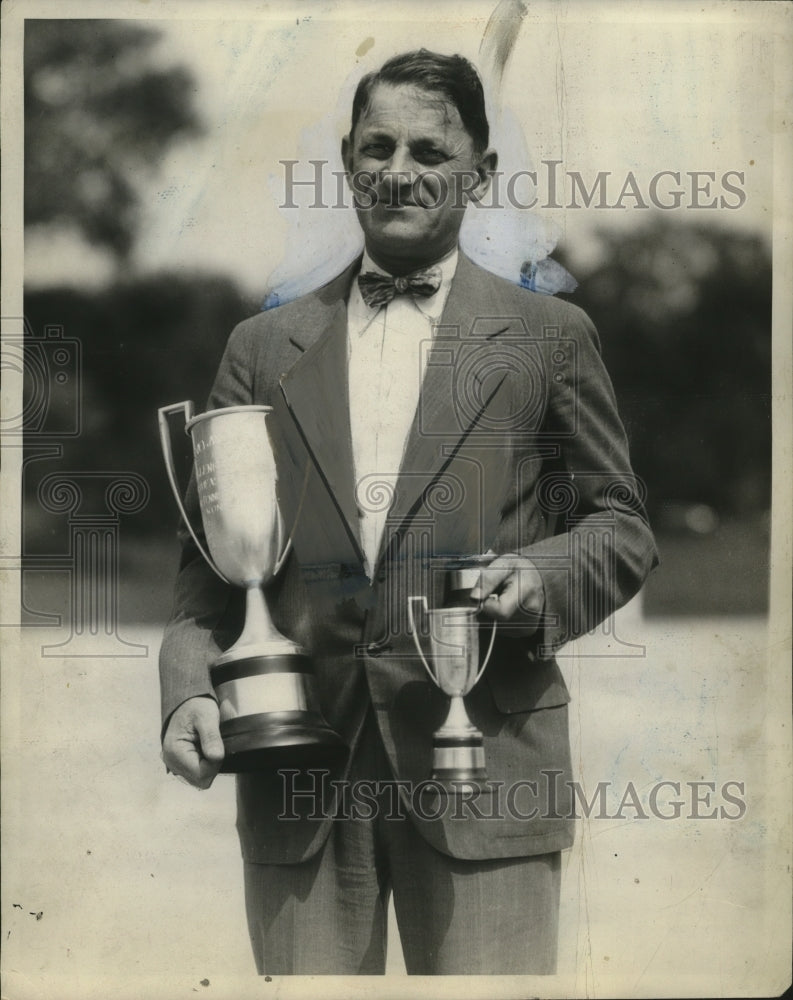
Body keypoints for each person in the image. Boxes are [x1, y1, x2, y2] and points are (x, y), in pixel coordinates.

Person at [159, 49, 658, 975]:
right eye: (377, 146)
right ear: (346, 159)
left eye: (429, 151)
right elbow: (207, 564)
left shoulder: (551, 336)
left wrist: (538, 578)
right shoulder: (261, 345)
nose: (398, 170)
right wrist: (187, 684)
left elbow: (620, 524)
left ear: (481, 173)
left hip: (487, 768)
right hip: (297, 768)